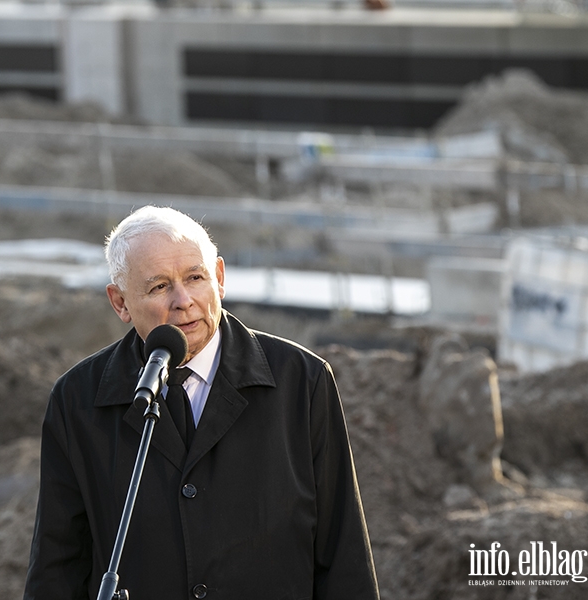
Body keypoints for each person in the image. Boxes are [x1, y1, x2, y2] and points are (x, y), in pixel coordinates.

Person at [24, 206, 379, 600]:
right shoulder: (77, 401)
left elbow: (343, 556)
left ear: (220, 278)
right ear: (120, 303)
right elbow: (57, 568)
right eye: (159, 286)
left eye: (195, 278)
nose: (183, 300)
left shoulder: (303, 382)